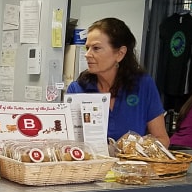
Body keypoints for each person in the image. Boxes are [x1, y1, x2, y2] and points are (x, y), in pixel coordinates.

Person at [66, 17, 170, 147]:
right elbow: (66, 142)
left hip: (131, 160)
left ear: (120, 53)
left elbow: (162, 139)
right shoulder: (77, 90)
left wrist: (133, 148)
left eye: (96, 48)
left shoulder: (143, 85)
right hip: (90, 160)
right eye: (87, 48)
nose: (87, 54)